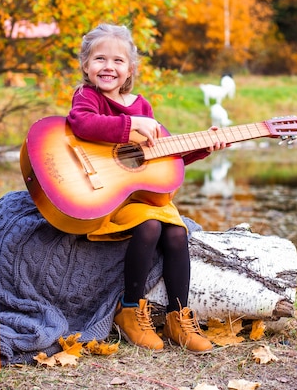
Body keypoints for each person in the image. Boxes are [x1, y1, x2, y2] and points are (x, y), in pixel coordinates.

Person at [66, 23, 228, 354]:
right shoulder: (88, 98)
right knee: (150, 226)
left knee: (176, 233)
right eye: (99, 59)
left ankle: (177, 318)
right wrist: (130, 126)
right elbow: (82, 123)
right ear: (85, 65)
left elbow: (159, 160)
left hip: (142, 193)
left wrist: (203, 147)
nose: (108, 67)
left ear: (130, 70)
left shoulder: (142, 107)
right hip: (111, 195)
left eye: (117, 61)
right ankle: (130, 310)